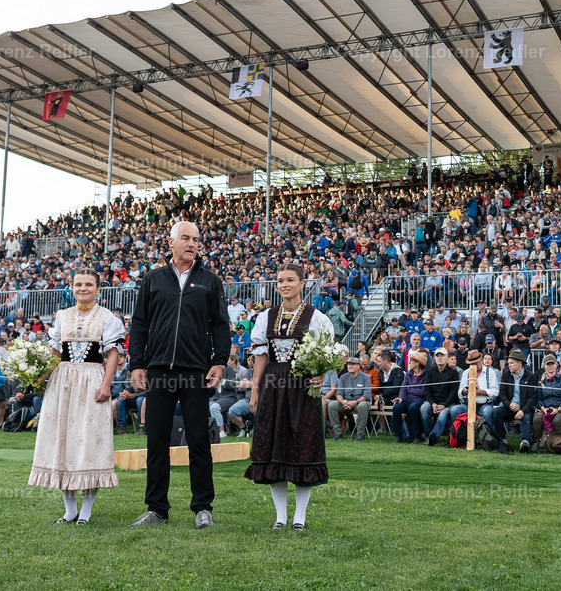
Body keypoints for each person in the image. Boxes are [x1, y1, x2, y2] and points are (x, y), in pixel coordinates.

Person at [129, 222, 232, 529]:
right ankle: (156, 509)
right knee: (156, 440)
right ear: (171, 242)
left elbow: (220, 325)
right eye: (185, 238)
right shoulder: (153, 279)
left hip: (196, 371)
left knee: (199, 439)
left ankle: (203, 507)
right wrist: (137, 363)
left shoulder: (209, 281)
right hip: (159, 370)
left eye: (196, 239)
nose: (192, 243)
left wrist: (219, 361)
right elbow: (139, 324)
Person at [27, 269, 125, 525]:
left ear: (98, 289)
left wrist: (106, 383)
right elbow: (55, 352)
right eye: (78, 284)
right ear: (72, 287)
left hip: (92, 379)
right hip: (63, 382)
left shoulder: (107, 318)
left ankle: (86, 511)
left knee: (89, 441)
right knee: (63, 440)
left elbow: (112, 353)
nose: (83, 288)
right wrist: (41, 376)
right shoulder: (62, 316)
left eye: (89, 284)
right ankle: (69, 509)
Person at [245, 263, 334, 531]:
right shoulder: (266, 317)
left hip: (302, 389)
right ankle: (280, 516)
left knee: (302, 447)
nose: (284, 285)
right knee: (275, 448)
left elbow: (330, 353)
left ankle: (300, 517)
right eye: (280, 280)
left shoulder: (316, 317)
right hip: (273, 387)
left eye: (290, 280)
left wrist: (320, 374)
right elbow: (261, 356)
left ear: (301, 283)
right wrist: (255, 389)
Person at [492, 349, 537, 453]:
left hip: (525, 408)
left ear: (519, 363)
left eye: (512, 363)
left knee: (526, 418)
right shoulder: (506, 375)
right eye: (509, 363)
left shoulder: (531, 376)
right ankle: (502, 440)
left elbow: (532, 398)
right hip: (510, 408)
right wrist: (509, 404)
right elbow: (502, 394)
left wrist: (523, 410)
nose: (509, 365)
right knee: (496, 413)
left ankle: (525, 442)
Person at [421, 347, 459, 446]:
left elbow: (454, 392)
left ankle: (433, 439)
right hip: (433, 402)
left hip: (447, 403)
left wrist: (444, 405)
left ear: (447, 358)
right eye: (437, 356)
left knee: (442, 415)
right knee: (424, 408)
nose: (440, 358)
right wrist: (433, 403)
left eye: (442, 356)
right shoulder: (431, 371)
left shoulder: (453, 373)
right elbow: (427, 390)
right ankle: (428, 436)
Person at [328, 357, 372, 441]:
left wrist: (355, 402)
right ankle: (337, 432)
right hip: (346, 403)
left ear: (358, 366)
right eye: (348, 364)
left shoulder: (365, 377)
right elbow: (339, 394)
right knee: (332, 405)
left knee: (362, 406)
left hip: (360, 402)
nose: (350, 366)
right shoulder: (343, 377)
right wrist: (343, 401)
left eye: (352, 364)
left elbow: (367, 395)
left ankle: (360, 434)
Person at [531, 356, 561, 445]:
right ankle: (536, 444)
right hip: (545, 409)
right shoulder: (541, 381)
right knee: (537, 419)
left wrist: (559, 409)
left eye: (552, 364)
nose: (550, 366)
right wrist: (543, 408)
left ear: (556, 365)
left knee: (557, 420)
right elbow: (539, 398)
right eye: (548, 364)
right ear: (544, 366)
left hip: (560, 409)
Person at [391, 351, 427, 443]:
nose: (409, 363)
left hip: (420, 400)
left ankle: (417, 436)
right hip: (408, 399)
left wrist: (410, 389)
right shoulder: (408, 374)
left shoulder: (426, 375)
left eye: (411, 361)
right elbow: (403, 387)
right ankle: (398, 435)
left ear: (417, 363)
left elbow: (423, 392)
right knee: (396, 407)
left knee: (413, 408)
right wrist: (401, 397)